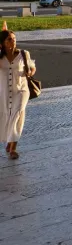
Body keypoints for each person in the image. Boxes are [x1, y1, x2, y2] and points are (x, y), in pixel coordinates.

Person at [0, 30, 35, 160]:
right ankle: (9, 141)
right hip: (4, 91)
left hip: (21, 90)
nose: (13, 41)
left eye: (14, 38)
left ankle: (13, 148)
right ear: (2, 43)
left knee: (18, 113)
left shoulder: (23, 54)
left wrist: (30, 72)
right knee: (8, 116)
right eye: (9, 39)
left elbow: (32, 67)